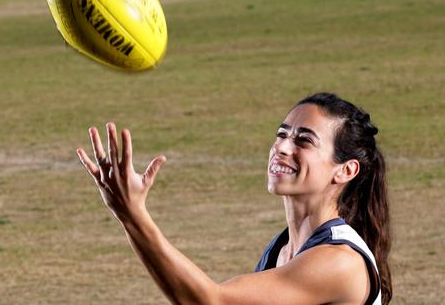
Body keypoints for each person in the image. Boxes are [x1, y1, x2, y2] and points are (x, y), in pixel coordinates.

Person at [77, 92, 392, 305]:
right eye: (282, 134)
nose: (282, 147)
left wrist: (132, 215)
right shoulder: (282, 250)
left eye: (304, 140)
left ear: (346, 170)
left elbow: (212, 301)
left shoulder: (339, 262)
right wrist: (127, 216)